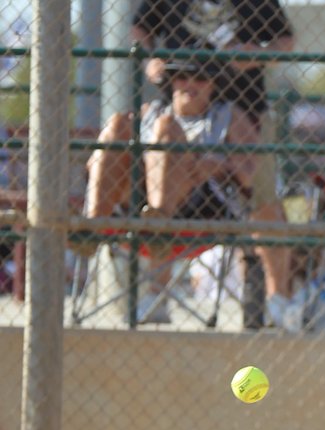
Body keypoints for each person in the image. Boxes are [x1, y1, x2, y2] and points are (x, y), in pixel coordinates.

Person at [132, 0, 298, 330]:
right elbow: (139, 29)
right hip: (181, 111)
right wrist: (150, 57)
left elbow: (285, 40)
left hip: (244, 109)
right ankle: (157, 294)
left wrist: (255, 54)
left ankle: (279, 302)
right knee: (164, 195)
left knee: (263, 198)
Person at [84, 59, 256, 323]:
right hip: (136, 204)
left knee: (166, 129)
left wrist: (220, 166)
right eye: (181, 76)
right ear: (171, 82)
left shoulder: (227, 116)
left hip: (198, 206)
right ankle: (92, 227)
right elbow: (94, 165)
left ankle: (159, 227)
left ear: (213, 85)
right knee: (119, 123)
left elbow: (250, 174)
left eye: (200, 78)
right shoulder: (149, 111)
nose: (190, 84)